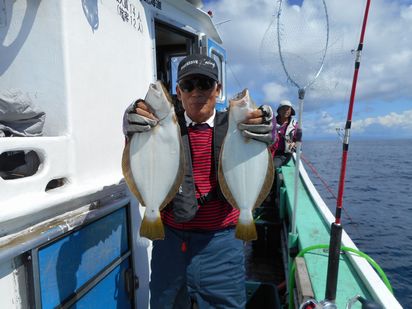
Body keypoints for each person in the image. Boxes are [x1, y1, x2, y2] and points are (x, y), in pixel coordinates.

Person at [123, 54, 274, 309]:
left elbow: (261, 143)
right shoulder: (163, 126)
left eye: (204, 84)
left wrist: (267, 128)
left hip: (222, 243)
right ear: (178, 91)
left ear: (218, 89)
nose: (196, 92)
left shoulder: (237, 126)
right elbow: (137, 151)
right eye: (188, 85)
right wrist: (130, 125)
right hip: (170, 240)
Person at [269, 100, 298, 168]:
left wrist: (294, 144)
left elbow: (298, 141)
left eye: (288, 109)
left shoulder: (295, 125)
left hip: (283, 155)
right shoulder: (271, 123)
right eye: (283, 109)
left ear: (291, 111)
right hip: (269, 152)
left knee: (272, 166)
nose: (286, 111)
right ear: (279, 111)